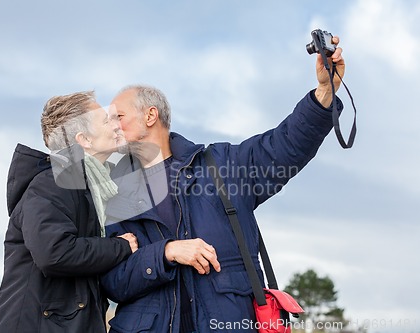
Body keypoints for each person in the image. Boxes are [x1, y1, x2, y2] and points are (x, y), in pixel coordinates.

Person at [101, 36, 345, 333]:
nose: (111, 125)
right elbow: (113, 281)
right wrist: (166, 252)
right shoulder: (113, 193)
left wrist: (324, 92)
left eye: (119, 117)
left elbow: (284, 145)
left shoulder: (221, 164)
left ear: (151, 115)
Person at [0, 91, 138, 333]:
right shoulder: (52, 183)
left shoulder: (89, 188)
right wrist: (120, 247)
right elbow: (54, 253)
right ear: (84, 140)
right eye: (105, 120)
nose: (116, 124)